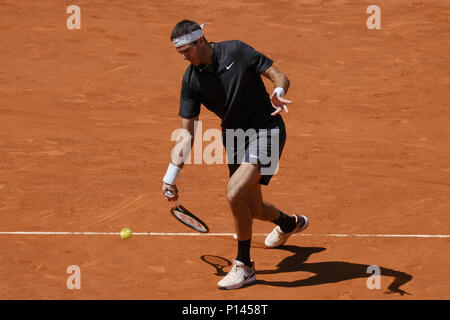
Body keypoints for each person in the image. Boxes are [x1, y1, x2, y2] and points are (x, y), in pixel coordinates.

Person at [161, 20, 309, 290]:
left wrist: (278, 91)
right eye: (179, 53)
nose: (184, 57)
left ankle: (244, 266)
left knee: (233, 192)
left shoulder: (237, 51)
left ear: (201, 41)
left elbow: (280, 76)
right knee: (253, 208)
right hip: (236, 140)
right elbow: (186, 134)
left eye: (186, 51)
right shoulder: (191, 80)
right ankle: (289, 223)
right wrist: (170, 177)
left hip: (267, 129)